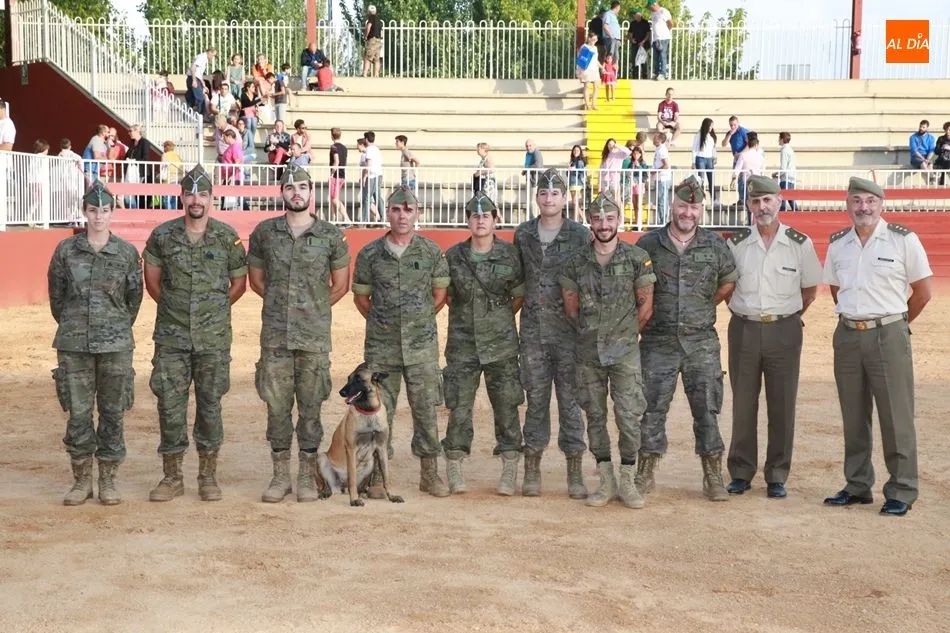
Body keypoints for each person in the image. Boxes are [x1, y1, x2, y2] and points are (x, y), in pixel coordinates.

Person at [822, 177, 933, 517]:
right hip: (848, 335)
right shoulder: (838, 243)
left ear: (881, 204)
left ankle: (902, 489)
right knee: (854, 415)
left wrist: (895, 326)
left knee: (896, 415)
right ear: (848, 205)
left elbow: (923, 291)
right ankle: (857, 485)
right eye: (856, 201)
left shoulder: (903, 240)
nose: (863, 208)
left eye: (870, 201)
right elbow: (837, 289)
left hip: (888, 334)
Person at [143, 165, 248, 503]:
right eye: (190, 194)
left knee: (210, 405)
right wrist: (179, 311)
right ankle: (172, 477)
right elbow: (153, 283)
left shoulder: (226, 236)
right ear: (182, 198)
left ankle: (207, 475)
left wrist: (210, 311)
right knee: (170, 406)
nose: (196, 200)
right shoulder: (162, 236)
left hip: (213, 339)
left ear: (211, 198)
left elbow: (239, 284)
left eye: (202, 194)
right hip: (171, 338)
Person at [246, 164, 350, 503]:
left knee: (310, 407)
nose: (296, 192)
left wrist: (314, 309)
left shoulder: (331, 236)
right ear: (281, 192)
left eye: (302, 186)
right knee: (276, 407)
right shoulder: (264, 233)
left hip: (314, 337)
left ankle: (306, 475)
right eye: (289, 187)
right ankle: (280, 477)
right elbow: (257, 281)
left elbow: (341, 284)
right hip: (275, 336)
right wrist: (282, 306)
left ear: (311, 191)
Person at [635, 175, 738, 501]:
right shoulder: (648, 245)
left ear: (700, 209)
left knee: (707, 409)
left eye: (693, 207)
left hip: (700, 342)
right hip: (657, 341)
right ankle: (644, 473)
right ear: (672, 205)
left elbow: (728, 283)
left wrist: (703, 307)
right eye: (682, 205)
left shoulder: (715, 245)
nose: (687, 213)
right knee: (651, 409)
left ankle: (712, 476)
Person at [724, 175, 822, 499]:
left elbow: (809, 292)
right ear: (748, 205)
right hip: (745, 329)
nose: (762, 206)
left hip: (784, 329)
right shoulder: (735, 244)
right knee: (743, 404)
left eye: (767, 200)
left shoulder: (799, 243)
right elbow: (726, 289)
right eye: (755, 201)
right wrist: (748, 313)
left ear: (779, 201)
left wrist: (783, 318)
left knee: (782, 405)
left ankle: (777, 474)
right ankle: (740, 471)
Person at [352, 186, 452, 497]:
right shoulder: (370, 253)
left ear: (417, 212)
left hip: (421, 346)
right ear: (388, 213)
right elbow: (361, 298)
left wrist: (416, 320)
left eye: (408, 210)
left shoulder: (431, 252)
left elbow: (439, 296)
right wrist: (386, 323)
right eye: (396, 209)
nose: (402, 215)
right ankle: (378, 478)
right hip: (382, 349)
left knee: (425, 411)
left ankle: (429, 474)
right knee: (380, 412)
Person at [48, 181, 143, 506]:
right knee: (78, 414)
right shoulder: (66, 250)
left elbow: (134, 299)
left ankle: (108, 479)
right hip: (74, 345)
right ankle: (81, 481)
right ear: (84, 212)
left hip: (116, 345)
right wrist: (77, 324)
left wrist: (113, 326)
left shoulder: (127, 253)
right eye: (93, 210)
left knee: (113, 413)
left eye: (104, 210)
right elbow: (57, 299)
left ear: (112, 212)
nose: (99, 216)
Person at [559, 193, 656, 509]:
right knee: (595, 417)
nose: (604, 224)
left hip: (625, 353)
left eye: (610, 218)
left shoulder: (636, 258)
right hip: (588, 353)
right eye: (598, 218)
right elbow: (571, 310)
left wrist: (622, 336)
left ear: (619, 221)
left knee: (629, 416)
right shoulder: (575, 262)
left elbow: (645, 309)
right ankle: (605, 479)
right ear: (590, 220)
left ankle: (627, 479)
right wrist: (594, 335)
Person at [514, 168, 591, 498]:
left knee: (571, 403)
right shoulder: (523, 234)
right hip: (533, 331)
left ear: (565, 198)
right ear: (537, 197)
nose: (549, 199)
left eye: (555, 193)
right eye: (543, 193)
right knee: (536, 402)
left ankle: (574, 469)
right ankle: (532, 466)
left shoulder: (580, 235)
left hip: (569, 333)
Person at [442, 192, 525, 495]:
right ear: (468, 220)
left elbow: (517, 295)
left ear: (495, 219)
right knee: (459, 407)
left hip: (501, 345)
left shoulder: (510, 255)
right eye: (475, 216)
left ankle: (509, 467)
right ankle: (454, 463)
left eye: (486, 215)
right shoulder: (453, 256)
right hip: (463, 344)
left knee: (506, 407)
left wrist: (496, 320)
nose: (480, 220)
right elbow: (447, 297)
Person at [328, 127, 350, 224]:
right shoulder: (344, 148)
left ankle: (346, 218)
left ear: (332, 136)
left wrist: (332, 173)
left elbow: (336, 161)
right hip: (342, 175)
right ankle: (335, 219)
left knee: (334, 199)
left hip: (336, 175)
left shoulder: (334, 147)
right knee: (334, 198)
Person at [692, 117, 717, 197]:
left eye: (712, 126)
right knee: (701, 179)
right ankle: (700, 198)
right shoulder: (699, 135)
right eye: (710, 126)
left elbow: (713, 148)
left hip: (709, 159)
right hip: (700, 158)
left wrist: (715, 157)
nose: (711, 128)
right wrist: (693, 162)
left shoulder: (711, 136)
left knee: (711, 180)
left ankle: (714, 199)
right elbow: (694, 148)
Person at [648, 0, 674, 80]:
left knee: (662, 55)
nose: (650, 9)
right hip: (656, 38)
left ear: (654, 5)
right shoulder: (653, 14)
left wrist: (666, 31)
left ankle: (662, 73)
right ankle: (656, 73)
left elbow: (670, 23)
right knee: (656, 57)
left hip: (663, 37)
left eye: (650, 7)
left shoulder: (663, 11)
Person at [186, 47, 216, 115]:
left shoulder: (203, 58)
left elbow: (199, 73)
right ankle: (200, 117)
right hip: (193, 78)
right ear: (209, 52)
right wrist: (194, 80)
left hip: (194, 78)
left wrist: (203, 85)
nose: (213, 57)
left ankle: (185, 118)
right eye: (213, 55)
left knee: (191, 99)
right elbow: (193, 67)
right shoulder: (202, 57)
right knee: (201, 98)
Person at [576, 33, 602, 111]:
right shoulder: (584, 47)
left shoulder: (595, 48)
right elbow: (580, 58)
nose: (594, 41)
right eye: (593, 39)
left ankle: (594, 104)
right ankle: (587, 105)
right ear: (589, 38)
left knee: (596, 86)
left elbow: (595, 60)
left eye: (596, 40)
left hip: (595, 69)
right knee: (587, 86)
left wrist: (602, 67)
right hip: (586, 69)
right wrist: (578, 70)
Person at [776, 131, 798, 211]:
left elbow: (783, 167)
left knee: (783, 200)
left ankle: (783, 218)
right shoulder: (790, 149)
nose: (778, 140)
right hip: (791, 177)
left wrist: (777, 174)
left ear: (782, 139)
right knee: (791, 199)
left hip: (786, 178)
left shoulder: (784, 150)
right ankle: (798, 214)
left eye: (779, 139)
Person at [627, 9, 652, 80]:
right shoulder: (632, 23)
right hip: (635, 45)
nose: (634, 16)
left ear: (639, 15)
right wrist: (631, 39)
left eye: (635, 14)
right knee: (634, 60)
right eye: (633, 15)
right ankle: (635, 76)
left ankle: (645, 77)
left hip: (644, 45)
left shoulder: (645, 22)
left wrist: (643, 42)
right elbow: (630, 33)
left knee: (644, 61)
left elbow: (648, 34)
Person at [363, 5, 384, 78]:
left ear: (369, 12)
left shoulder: (371, 18)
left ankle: (365, 73)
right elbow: (381, 31)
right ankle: (376, 74)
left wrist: (366, 35)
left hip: (372, 40)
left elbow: (368, 27)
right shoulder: (379, 20)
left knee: (368, 57)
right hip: (378, 40)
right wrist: (381, 38)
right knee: (377, 58)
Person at [568, 144, 587, 222]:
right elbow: (568, 174)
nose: (576, 152)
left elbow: (581, 173)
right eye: (574, 150)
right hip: (572, 183)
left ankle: (583, 220)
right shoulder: (572, 161)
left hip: (577, 183)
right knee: (574, 203)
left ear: (580, 152)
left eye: (577, 150)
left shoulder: (580, 162)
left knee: (575, 203)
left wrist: (573, 169)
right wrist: (569, 169)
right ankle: (578, 220)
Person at [934, 121, 950, 185]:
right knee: (943, 163)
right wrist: (942, 148)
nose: (948, 131)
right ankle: (941, 184)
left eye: (949, 130)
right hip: (942, 160)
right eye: (946, 130)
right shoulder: (941, 139)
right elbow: (936, 151)